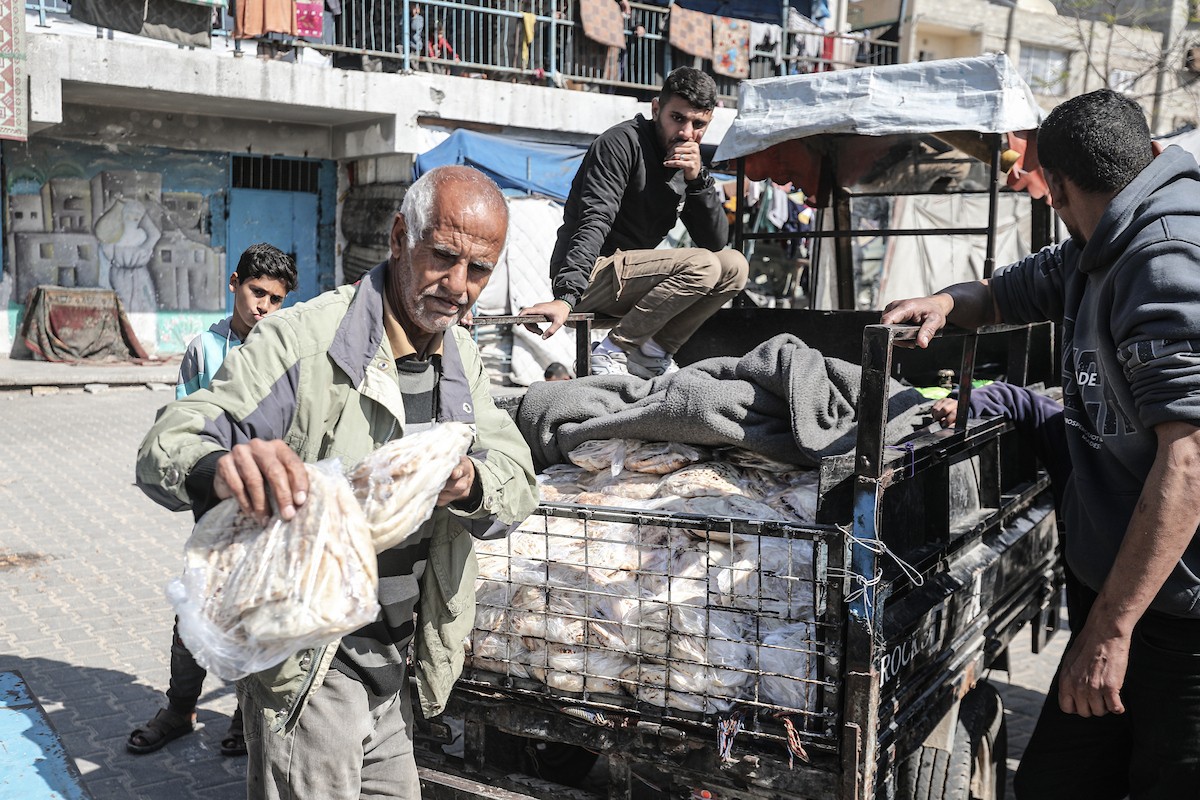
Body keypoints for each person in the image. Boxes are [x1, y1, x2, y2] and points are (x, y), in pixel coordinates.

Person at [135, 165, 538, 799]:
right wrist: (222, 467)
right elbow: (170, 440)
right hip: (313, 667)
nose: (459, 287)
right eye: (443, 257)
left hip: (396, 671)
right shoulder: (304, 340)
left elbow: (518, 480)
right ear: (400, 237)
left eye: (479, 270)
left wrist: (471, 482)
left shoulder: (460, 357)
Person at [881, 89, 1200, 799]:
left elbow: (1189, 461)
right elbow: (1006, 293)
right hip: (1114, 590)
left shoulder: (1167, 258)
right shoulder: (1099, 238)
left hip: (1176, 616)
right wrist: (946, 303)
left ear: (1055, 186)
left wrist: (1111, 631)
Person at [127, 242, 297, 757]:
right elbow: (184, 429)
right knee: (195, 608)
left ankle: (246, 716)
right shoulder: (204, 348)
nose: (264, 306)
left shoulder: (288, 348)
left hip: (270, 508)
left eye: (276, 299)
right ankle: (180, 709)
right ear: (234, 284)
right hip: (217, 502)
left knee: (256, 614)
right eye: (256, 292)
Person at [519, 67, 749, 378]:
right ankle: (612, 351)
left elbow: (715, 242)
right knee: (703, 265)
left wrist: (697, 182)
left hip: (634, 281)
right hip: (590, 276)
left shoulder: (688, 164)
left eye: (698, 124)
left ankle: (652, 353)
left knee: (735, 266)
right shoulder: (621, 144)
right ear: (656, 110)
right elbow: (594, 220)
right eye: (677, 118)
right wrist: (566, 297)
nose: (686, 133)